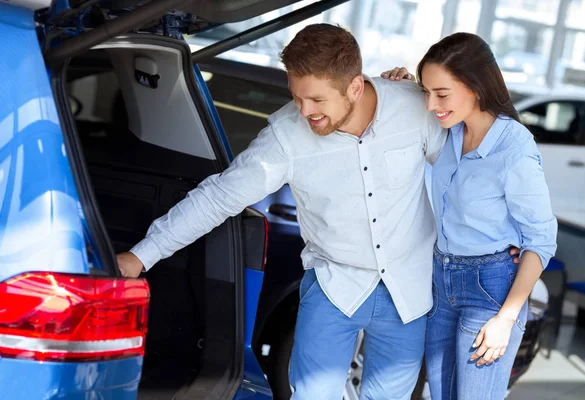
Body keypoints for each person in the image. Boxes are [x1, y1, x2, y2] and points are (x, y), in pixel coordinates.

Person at [117, 23, 449, 399]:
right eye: (297, 97)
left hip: (409, 290)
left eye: (317, 100)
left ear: (355, 87)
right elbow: (218, 197)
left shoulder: (414, 107)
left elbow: (466, 171)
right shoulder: (286, 136)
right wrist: (141, 254)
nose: (305, 111)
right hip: (334, 287)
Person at [381, 32, 557, 399]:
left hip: (491, 290)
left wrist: (506, 319)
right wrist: (403, 87)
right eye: (427, 93)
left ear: (475, 87)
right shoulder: (449, 129)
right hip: (441, 281)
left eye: (440, 94)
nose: (430, 105)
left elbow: (540, 239)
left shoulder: (514, 148)